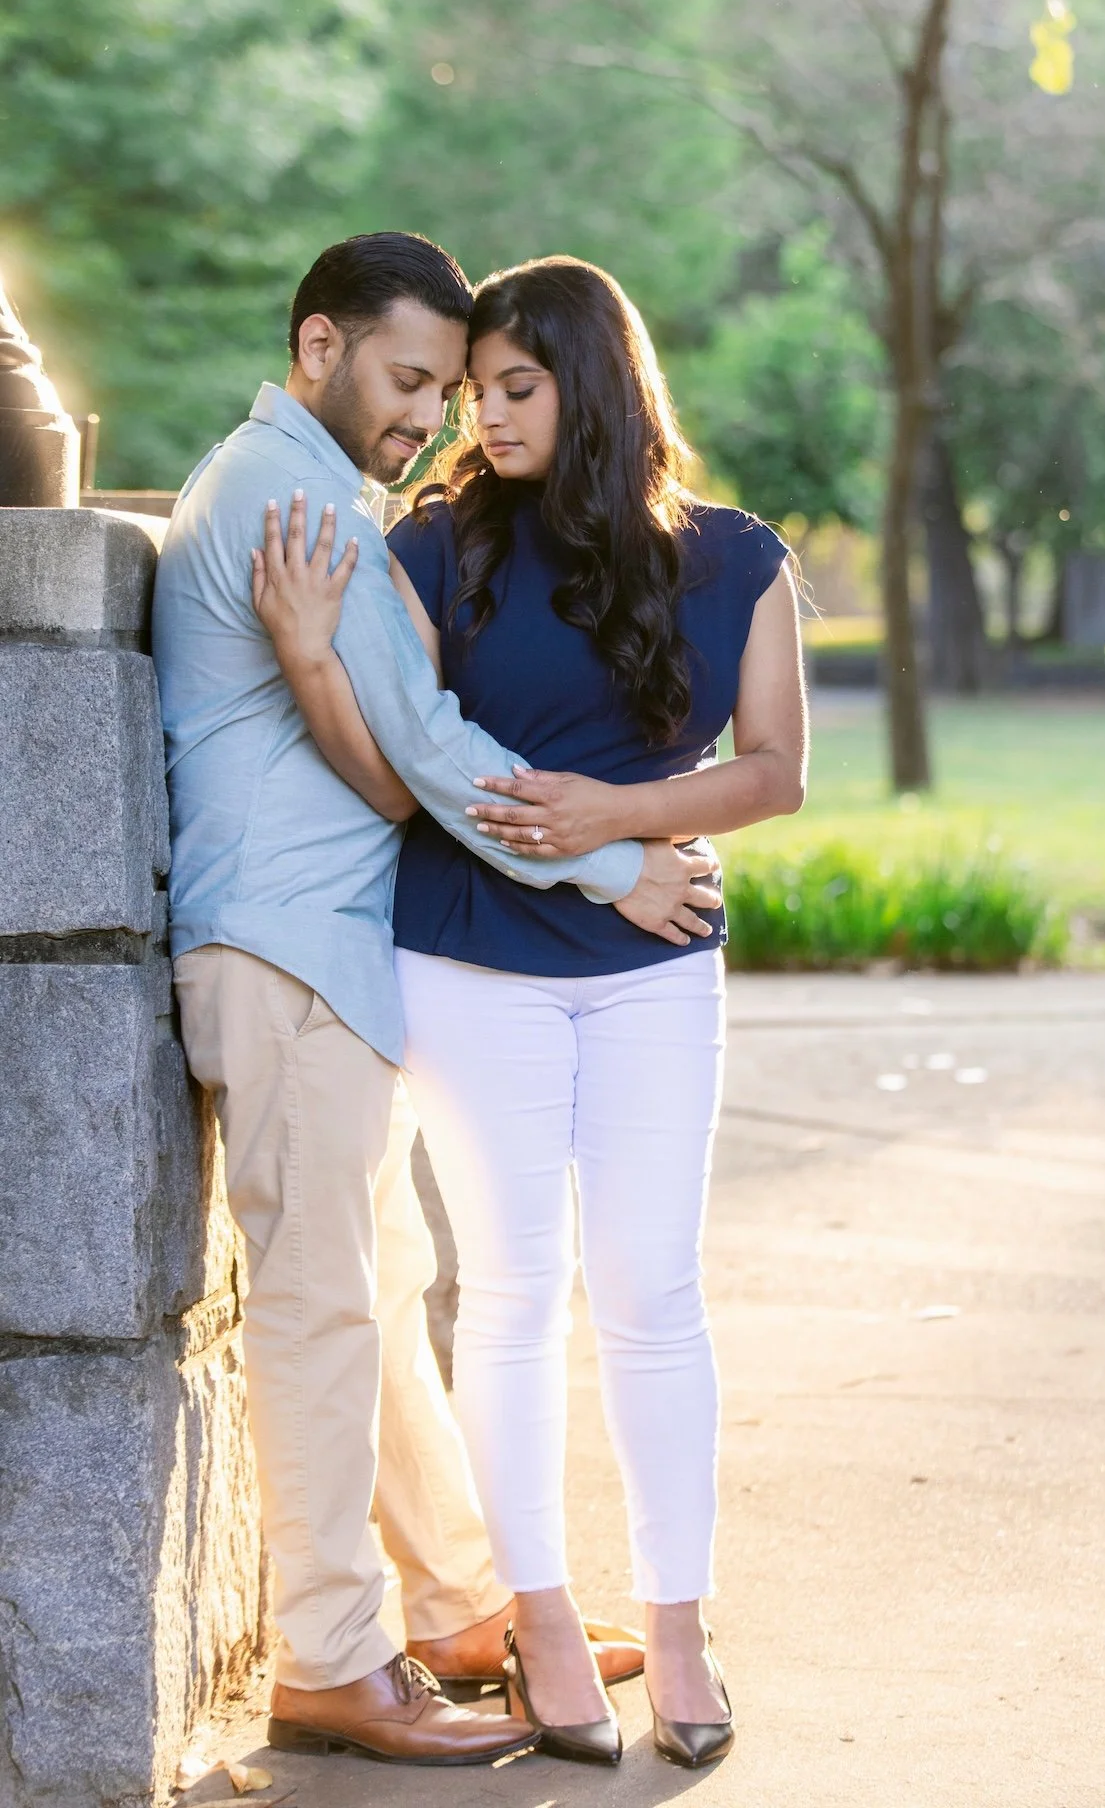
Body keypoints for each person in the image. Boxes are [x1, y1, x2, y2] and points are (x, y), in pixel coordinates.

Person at [151, 232, 717, 1767]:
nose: (436, 421)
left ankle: (460, 1600)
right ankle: (334, 1658)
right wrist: (620, 865)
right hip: (283, 951)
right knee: (326, 1307)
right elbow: (433, 747)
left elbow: (391, 753)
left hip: (322, 954)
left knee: (384, 1282)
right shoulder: (294, 500)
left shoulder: (323, 497)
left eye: (452, 392)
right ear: (318, 349)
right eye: (410, 382)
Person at [251, 255, 808, 1768]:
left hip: (658, 965)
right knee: (509, 1294)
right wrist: (312, 651)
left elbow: (773, 771)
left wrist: (616, 822)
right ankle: (543, 1617)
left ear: (595, 384)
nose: (479, 418)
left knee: (653, 1295)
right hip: (469, 960)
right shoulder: (435, 550)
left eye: (513, 388)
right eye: (468, 390)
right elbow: (412, 771)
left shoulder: (733, 558)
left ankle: (679, 1623)